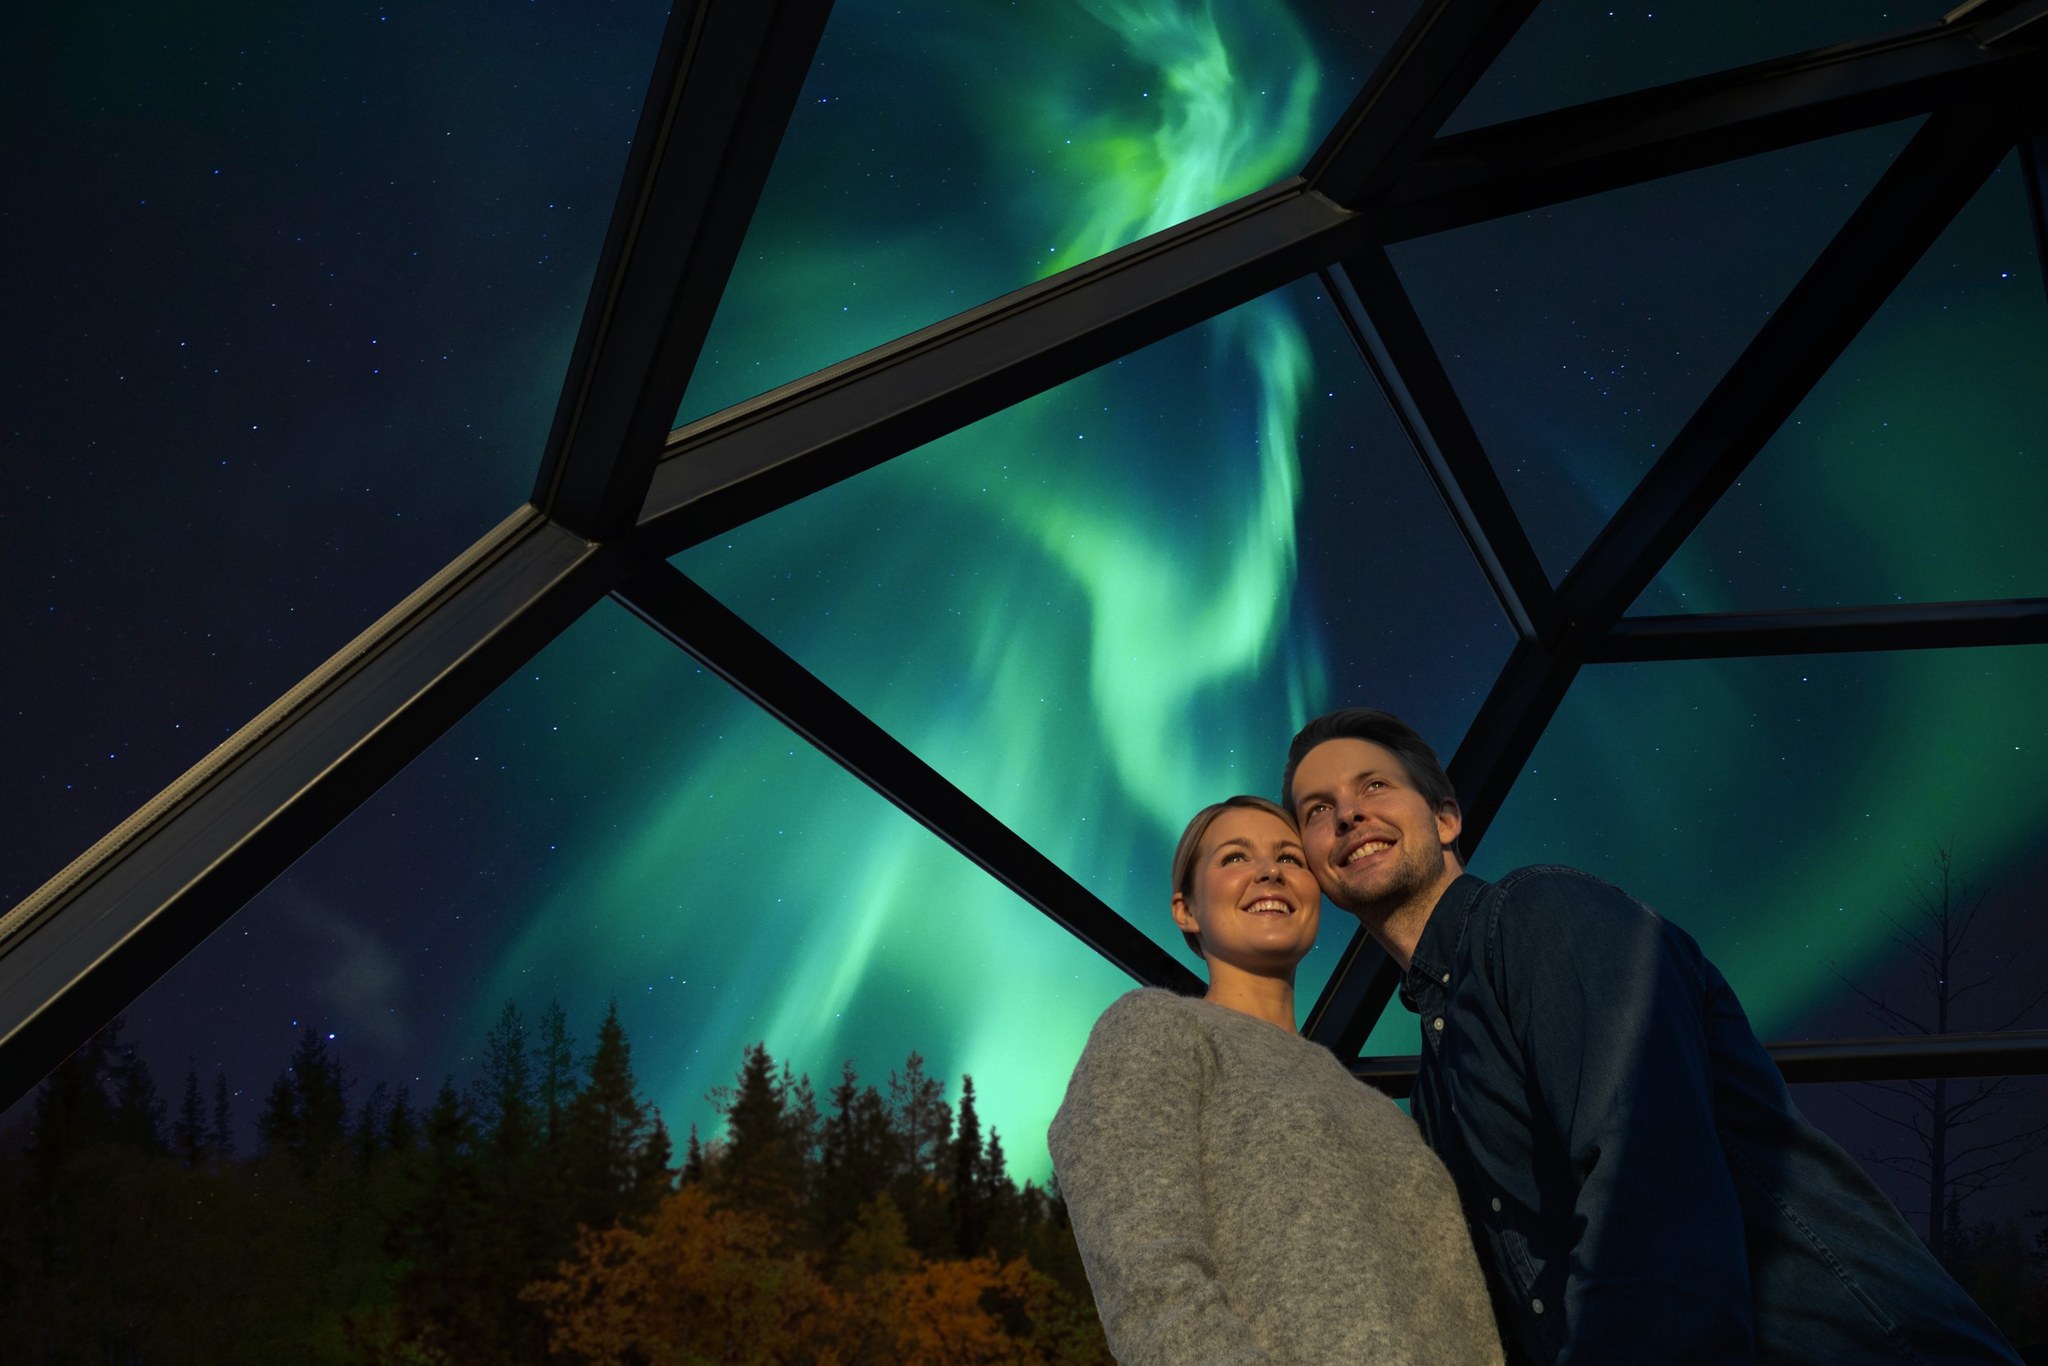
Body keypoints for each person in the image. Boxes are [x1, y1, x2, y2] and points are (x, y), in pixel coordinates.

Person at [1281, 707, 2021, 1365]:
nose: (1347, 815)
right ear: (1314, 864)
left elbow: (1646, 1181)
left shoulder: (1540, 915)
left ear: (1446, 818)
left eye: (1375, 786)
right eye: (1318, 810)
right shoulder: (1439, 1074)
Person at [1048, 795, 1503, 1365]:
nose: (1270, 871)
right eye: (1235, 857)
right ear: (1186, 909)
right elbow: (1152, 1290)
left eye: (1290, 858)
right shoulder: (1155, 1029)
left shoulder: (1382, 1111)